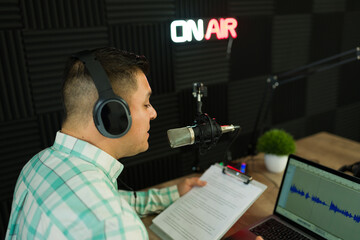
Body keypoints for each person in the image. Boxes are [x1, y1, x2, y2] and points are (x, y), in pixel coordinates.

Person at [6, 47, 262, 240]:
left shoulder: (38, 166)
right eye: (146, 104)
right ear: (113, 116)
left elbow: (109, 200)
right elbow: (107, 212)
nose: (153, 113)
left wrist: (172, 194)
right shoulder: (116, 226)